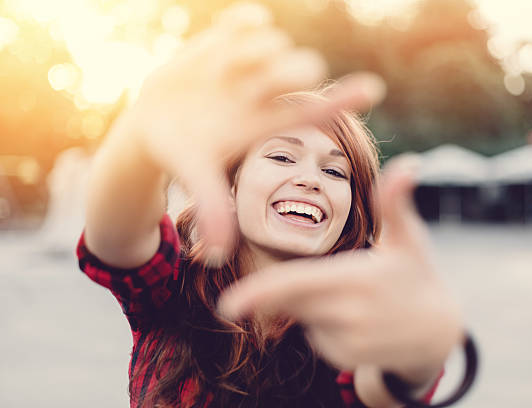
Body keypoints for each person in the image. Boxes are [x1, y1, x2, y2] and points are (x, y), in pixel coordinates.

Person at [77, 3, 464, 407]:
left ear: (353, 210)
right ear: (230, 184)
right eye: (282, 157)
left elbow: (383, 386)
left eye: (335, 173)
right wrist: (138, 144)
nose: (310, 180)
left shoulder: (357, 319)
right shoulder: (172, 290)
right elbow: (115, 236)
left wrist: (416, 358)